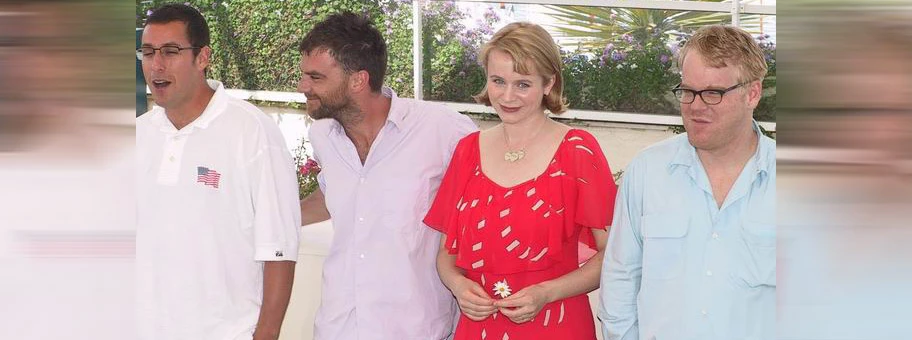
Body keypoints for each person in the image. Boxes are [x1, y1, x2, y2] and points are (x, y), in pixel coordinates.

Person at [423, 22, 618, 340]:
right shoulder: (468, 150)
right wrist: (459, 287)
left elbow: (612, 253)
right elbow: (447, 253)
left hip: (557, 325)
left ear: (548, 83)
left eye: (523, 84)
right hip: (477, 328)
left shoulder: (578, 150)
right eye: (498, 81)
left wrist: (547, 292)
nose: (507, 96)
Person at [296, 12, 478, 339]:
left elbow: (485, 200)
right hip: (338, 328)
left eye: (316, 77)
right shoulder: (323, 135)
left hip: (417, 328)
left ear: (358, 80)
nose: (302, 86)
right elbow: (334, 196)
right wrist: (267, 218)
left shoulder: (443, 130)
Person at [599, 25, 776, 340]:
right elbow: (621, 279)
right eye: (687, 91)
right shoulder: (647, 171)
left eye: (712, 93)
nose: (695, 106)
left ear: (752, 94)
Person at [136, 4, 300, 340]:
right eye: (148, 52)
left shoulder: (252, 131)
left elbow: (279, 249)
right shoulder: (137, 135)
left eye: (170, 51)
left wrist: (266, 334)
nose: (157, 65)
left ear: (203, 57)